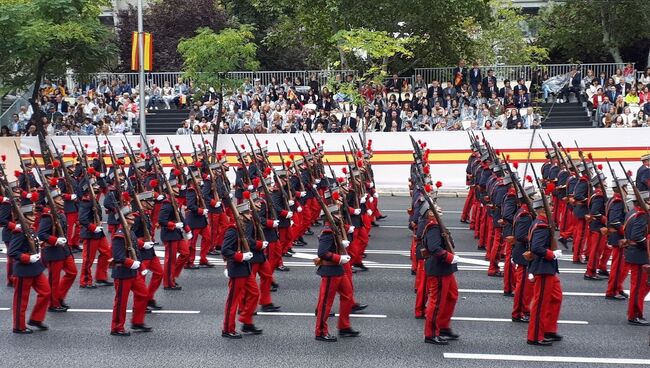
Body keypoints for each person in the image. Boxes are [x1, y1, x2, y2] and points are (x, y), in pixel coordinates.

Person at [314, 203, 358, 342]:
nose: (340, 216)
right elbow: (322, 252)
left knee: (348, 295)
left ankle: (344, 326)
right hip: (330, 271)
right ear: (331, 216)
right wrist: (339, 258)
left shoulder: (335, 229)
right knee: (326, 303)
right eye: (337, 214)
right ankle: (320, 331)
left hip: (338, 269)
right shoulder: (328, 232)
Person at [221, 201, 263, 339]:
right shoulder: (233, 230)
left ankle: (246, 321)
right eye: (247, 213)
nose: (250, 215)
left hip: (246, 268)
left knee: (255, 293)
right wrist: (241, 256)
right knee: (233, 301)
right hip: (237, 269)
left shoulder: (243, 227)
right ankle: (227, 329)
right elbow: (225, 250)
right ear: (241, 216)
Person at [109, 205, 152, 336]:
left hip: (133, 273)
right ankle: (116, 327)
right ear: (124, 219)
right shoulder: (119, 236)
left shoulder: (130, 232)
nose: (133, 218)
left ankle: (137, 322)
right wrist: (131, 263)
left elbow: (136, 252)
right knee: (121, 302)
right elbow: (118, 257)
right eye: (130, 216)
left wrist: (141, 267)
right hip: (123, 273)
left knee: (144, 294)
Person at [421, 198, 459, 345]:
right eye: (436, 207)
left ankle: (442, 327)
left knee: (451, 296)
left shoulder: (437, 225)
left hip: (445, 268)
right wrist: (450, 257)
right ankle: (431, 334)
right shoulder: (433, 228)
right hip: (439, 268)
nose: (439, 208)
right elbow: (434, 248)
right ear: (430, 213)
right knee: (436, 303)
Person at [8, 204, 51, 333]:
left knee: (46, 291)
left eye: (33, 214)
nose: (34, 217)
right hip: (24, 269)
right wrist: (27, 258)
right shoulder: (19, 232)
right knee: (21, 301)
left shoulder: (30, 229)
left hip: (35, 268)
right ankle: (18, 326)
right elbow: (12, 252)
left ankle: (36, 319)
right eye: (30, 215)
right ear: (24, 217)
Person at [527, 198, 563, 346]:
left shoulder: (542, 224)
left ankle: (548, 329)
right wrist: (552, 254)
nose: (553, 210)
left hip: (548, 268)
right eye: (550, 208)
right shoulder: (541, 226)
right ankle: (535, 336)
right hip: (543, 268)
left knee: (556, 297)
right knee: (540, 303)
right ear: (543, 210)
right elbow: (536, 248)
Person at [37, 184, 77, 312]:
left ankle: (59, 296)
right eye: (59, 199)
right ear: (52, 201)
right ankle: (53, 303)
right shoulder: (47, 216)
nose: (62, 201)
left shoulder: (60, 213)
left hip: (64, 250)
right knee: (53, 280)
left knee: (72, 272)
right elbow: (41, 234)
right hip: (53, 251)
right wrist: (55, 240)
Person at [622, 191, 650, 326]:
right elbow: (637, 236)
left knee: (641, 286)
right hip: (639, 256)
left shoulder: (633, 211)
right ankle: (635, 314)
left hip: (636, 255)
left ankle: (635, 312)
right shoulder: (641, 215)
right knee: (638, 287)